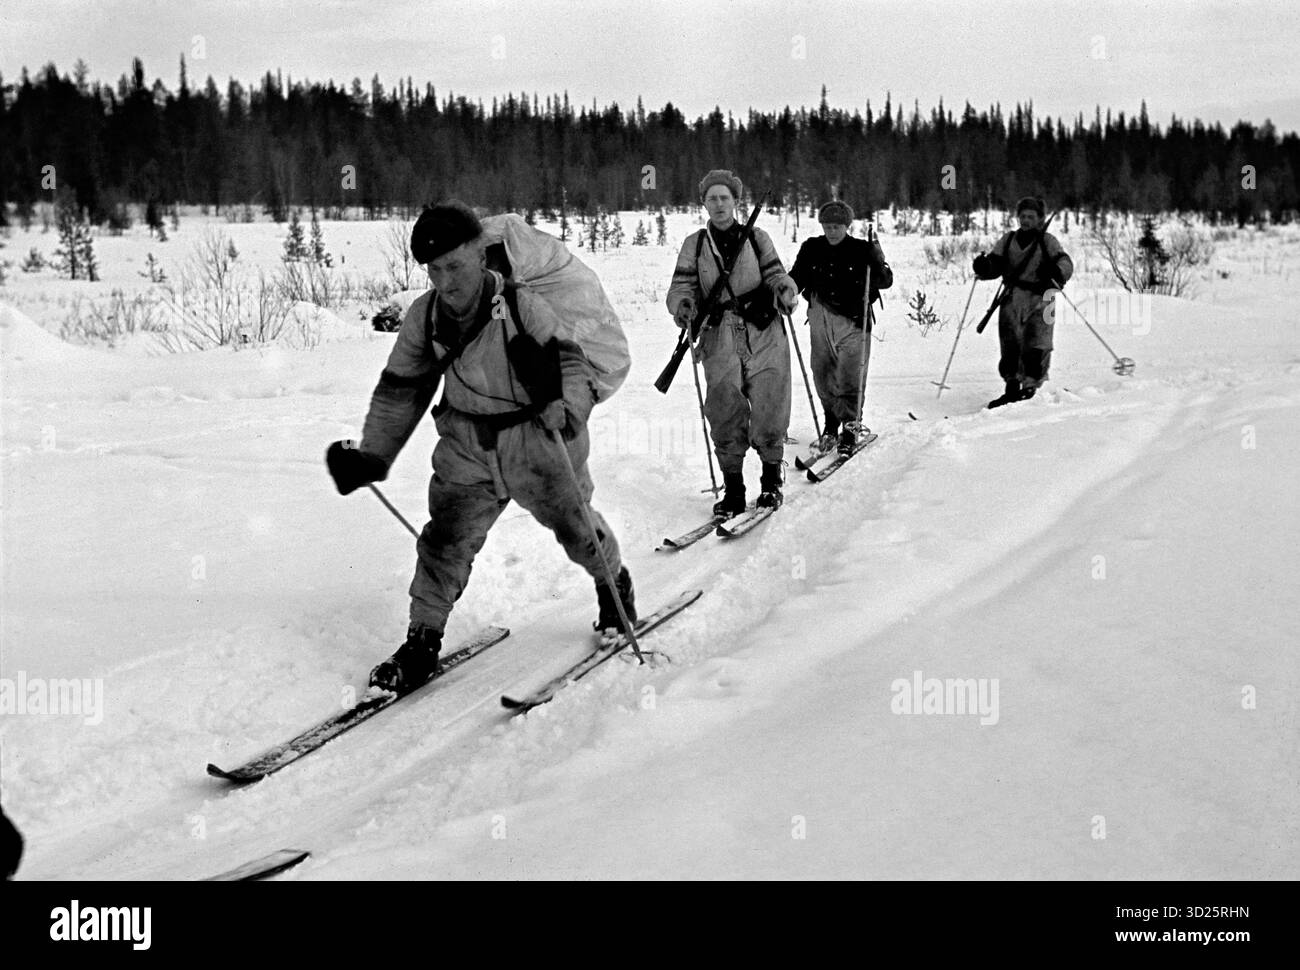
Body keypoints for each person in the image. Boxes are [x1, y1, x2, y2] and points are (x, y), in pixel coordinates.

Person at [326, 201, 634, 693]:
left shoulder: (519, 305)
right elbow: (401, 389)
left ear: (479, 254)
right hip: (467, 444)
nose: (444, 281)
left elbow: (571, 364)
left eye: (453, 266)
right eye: (432, 270)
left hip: (538, 439)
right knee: (444, 541)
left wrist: (566, 405)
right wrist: (373, 455)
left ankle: (612, 586)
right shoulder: (425, 317)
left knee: (578, 529)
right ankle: (422, 641)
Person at [666, 170, 799, 514]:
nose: (719, 204)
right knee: (724, 408)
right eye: (712, 199)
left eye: (725, 198)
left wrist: (784, 289)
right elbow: (681, 287)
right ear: (704, 204)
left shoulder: (757, 238)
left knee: (771, 402)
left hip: (763, 331)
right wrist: (683, 306)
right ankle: (735, 489)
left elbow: (774, 274)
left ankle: (771, 481)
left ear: (735, 202)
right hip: (718, 334)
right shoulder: (694, 245)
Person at [788, 201, 893, 455]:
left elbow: (885, 281)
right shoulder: (812, 248)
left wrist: (878, 259)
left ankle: (851, 425)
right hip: (820, 319)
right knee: (822, 373)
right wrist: (785, 289)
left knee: (850, 375)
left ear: (847, 226)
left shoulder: (861, 249)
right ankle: (830, 424)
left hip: (854, 321)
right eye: (827, 226)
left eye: (837, 226)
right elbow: (797, 277)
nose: (832, 231)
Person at [973, 196, 1074, 408]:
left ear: (1039, 219)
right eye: (1023, 216)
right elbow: (996, 263)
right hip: (1013, 297)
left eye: (1031, 216)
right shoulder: (1009, 240)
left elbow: (1065, 263)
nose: (1026, 220)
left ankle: (1031, 388)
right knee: (1010, 343)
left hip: (1042, 300)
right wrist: (984, 266)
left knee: (1037, 344)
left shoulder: (1048, 242)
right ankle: (1012, 385)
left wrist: (1055, 271)